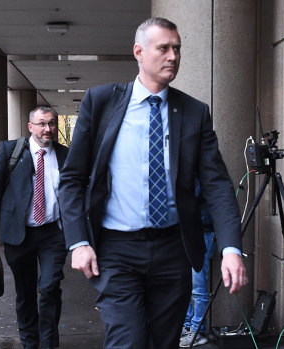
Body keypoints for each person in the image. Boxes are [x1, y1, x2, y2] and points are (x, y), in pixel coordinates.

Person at [58, 17, 248, 349]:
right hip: (116, 250)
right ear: (139, 52)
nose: (173, 56)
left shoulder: (193, 112)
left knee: (164, 343)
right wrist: (78, 241)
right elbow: (72, 178)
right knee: (128, 341)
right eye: (164, 48)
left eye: (177, 48)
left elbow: (217, 184)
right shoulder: (101, 103)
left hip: (173, 250)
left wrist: (231, 248)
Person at [0, 106, 69, 349]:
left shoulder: (65, 155)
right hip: (19, 234)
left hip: (53, 232)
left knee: (50, 287)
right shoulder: (10, 150)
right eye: (42, 123)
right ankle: (30, 343)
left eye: (51, 123)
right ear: (31, 127)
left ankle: (49, 344)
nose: (47, 129)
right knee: (25, 293)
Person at [180, 181, 215, 348]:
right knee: (186, 284)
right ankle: (188, 326)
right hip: (190, 231)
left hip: (202, 231)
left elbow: (190, 196)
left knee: (197, 286)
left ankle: (197, 330)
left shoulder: (198, 169)